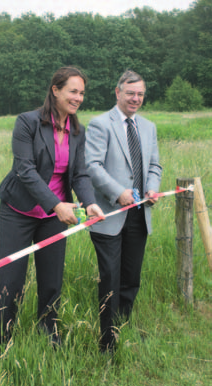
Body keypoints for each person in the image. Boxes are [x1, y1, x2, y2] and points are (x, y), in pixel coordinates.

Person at [0, 66, 104, 361]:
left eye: (82, 93)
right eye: (73, 91)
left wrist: (88, 202)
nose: (78, 98)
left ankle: (49, 334)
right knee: (10, 283)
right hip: (19, 212)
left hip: (54, 218)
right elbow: (24, 170)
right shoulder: (27, 122)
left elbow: (80, 174)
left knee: (51, 282)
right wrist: (56, 204)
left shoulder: (78, 129)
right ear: (55, 90)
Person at [85, 70, 162, 353]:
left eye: (140, 93)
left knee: (131, 277)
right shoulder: (99, 124)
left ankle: (122, 326)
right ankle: (107, 340)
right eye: (130, 93)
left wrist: (152, 188)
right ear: (117, 93)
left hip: (140, 215)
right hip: (109, 216)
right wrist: (118, 193)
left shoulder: (149, 127)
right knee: (110, 278)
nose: (136, 98)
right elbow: (92, 166)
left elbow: (154, 166)